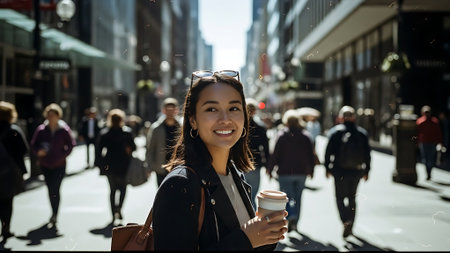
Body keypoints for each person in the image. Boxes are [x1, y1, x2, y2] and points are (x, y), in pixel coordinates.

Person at [151, 70, 288, 250]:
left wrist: (265, 234)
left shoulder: (234, 173)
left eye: (233, 108)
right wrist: (246, 238)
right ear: (192, 120)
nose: (225, 119)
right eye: (211, 109)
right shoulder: (180, 185)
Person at [324, 105, 371, 238]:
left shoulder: (335, 132)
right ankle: (350, 221)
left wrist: (327, 168)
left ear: (341, 117)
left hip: (339, 171)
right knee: (352, 198)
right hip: (356, 171)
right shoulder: (361, 133)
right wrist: (367, 170)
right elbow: (367, 153)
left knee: (339, 197)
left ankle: (345, 220)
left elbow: (328, 152)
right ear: (354, 117)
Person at [266, 109, 315, 233]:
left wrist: (270, 169)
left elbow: (275, 154)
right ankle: (295, 221)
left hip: (285, 172)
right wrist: (312, 170)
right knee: (298, 198)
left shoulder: (282, 136)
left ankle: (291, 215)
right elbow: (311, 155)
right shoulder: (305, 136)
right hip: (301, 172)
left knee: (286, 198)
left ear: (286, 121)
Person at [30, 103, 76, 228]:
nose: (51, 118)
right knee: (50, 189)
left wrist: (63, 155)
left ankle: (55, 213)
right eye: (49, 115)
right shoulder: (41, 129)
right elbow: (34, 144)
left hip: (60, 164)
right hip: (45, 164)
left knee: (55, 188)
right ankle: (53, 211)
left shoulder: (63, 129)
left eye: (53, 115)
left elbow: (71, 144)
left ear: (58, 116)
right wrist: (38, 151)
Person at [95, 109, 136, 223]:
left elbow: (98, 150)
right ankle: (118, 209)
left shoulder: (105, 133)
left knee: (113, 190)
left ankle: (114, 212)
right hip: (123, 163)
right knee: (122, 189)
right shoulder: (126, 132)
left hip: (110, 164)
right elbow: (134, 147)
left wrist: (99, 164)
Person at [0, 101, 29, 241]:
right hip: (9, 173)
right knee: (7, 201)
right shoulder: (14, 131)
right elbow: (24, 150)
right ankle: (6, 229)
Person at [145, 97, 181, 186]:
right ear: (163, 110)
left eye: (172, 110)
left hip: (177, 167)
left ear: (176, 110)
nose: (170, 112)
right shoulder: (156, 128)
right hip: (161, 167)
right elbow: (150, 148)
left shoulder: (181, 127)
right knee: (162, 195)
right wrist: (148, 167)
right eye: (168, 110)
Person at [245, 98, 270, 207]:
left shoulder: (239, 127)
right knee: (252, 193)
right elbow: (265, 148)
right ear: (255, 111)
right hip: (255, 163)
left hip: (239, 162)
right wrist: (267, 164)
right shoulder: (260, 128)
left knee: (243, 194)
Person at [416, 105, 443, 180]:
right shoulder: (420, 121)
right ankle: (428, 172)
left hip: (432, 142)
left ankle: (429, 172)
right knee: (425, 158)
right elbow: (417, 133)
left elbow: (438, 133)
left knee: (430, 158)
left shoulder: (434, 121)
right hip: (424, 142)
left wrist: (440, 142)